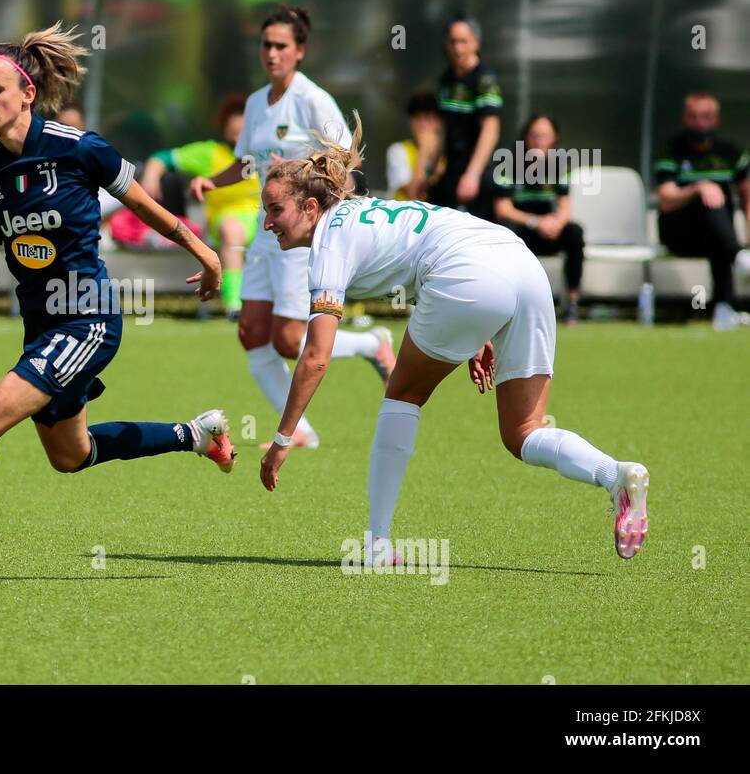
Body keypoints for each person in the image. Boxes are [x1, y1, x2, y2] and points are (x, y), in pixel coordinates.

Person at [0, 23, 235, 587]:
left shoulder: (81, 149)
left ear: (27, 92)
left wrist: (206, 252)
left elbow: (146, 208)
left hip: (89, 319)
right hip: (42, 328)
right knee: (72, 455)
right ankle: (196, 434)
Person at [257, 116, 649, 564]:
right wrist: (476, 330)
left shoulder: (328, 243)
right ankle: (615, 474)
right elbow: (424, 252)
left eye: (274, 209)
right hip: (520, 263)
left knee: (402, 393)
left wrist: (283, 440)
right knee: (524, 432)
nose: (268, 223)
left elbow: (315, 358)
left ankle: (377, 545)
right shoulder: (363, 212)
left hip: (471, 274)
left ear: (310, 207)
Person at [188, 5, 395, 451]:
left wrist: (302, 174)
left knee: (287, 340)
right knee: (250, 332)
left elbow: (348, 159)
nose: (272, 52)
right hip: (268, 231)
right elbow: (247, 162)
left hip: (301, 235)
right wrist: (213, 179)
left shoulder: (312, 99)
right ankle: (300, 432)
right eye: (266, 44)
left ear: (300, 51)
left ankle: (370, 344)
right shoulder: (255, 102)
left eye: (281, 45)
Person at [142, 94, 259, 318]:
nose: (238, 134)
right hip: (227, 220)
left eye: (243, 130)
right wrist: (151, 175)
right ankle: (235, 306)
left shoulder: (262, 150)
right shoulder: (209, 152)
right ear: (224, 127)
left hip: (264, 218)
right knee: (232, 229)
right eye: (233, 129)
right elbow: (162, 157)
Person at [655, 91, 750, 331]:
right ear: (685, 118)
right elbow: (665, 199)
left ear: (715, 119)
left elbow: (747, 196)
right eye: (694, 117)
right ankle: (739, 257)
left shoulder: (730, 151)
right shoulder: (672, 149)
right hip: (678, 232)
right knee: (705, 194)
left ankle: (724, 309)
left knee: (718, 221)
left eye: (706, 117)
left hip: (715, 234)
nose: (700, 124)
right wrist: (698, 187)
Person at [492, 114, 585, 324]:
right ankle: (512, 303)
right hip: (524, 230)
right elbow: (503, 209)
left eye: (545, 136)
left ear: (554, 139)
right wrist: (535, 222)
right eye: (534, 135)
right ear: (525, 137)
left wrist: (555, 224)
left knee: (575, 232)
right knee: (507, 231)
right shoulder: (509, 164)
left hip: (549, 231)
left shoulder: (560, 165)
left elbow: (565, 208)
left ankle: (572, 304)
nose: (539, 141)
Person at [433, 16, 502, 220]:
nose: (458, 48)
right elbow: (443, 130)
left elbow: (491, 129)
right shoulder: (447, 80)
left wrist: (473, 174)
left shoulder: (484, 79)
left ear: (476, 43)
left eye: (463, 41)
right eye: (453, 42)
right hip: (452, 170)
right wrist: (431, 170)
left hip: (477, 172)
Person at [386, 91, 443, 202]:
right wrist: (424, 150)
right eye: (418, 118)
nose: (422, 124)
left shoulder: (447, 153)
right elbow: (414, 195)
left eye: (428, 118)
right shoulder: (398, 151)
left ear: (438, 122)